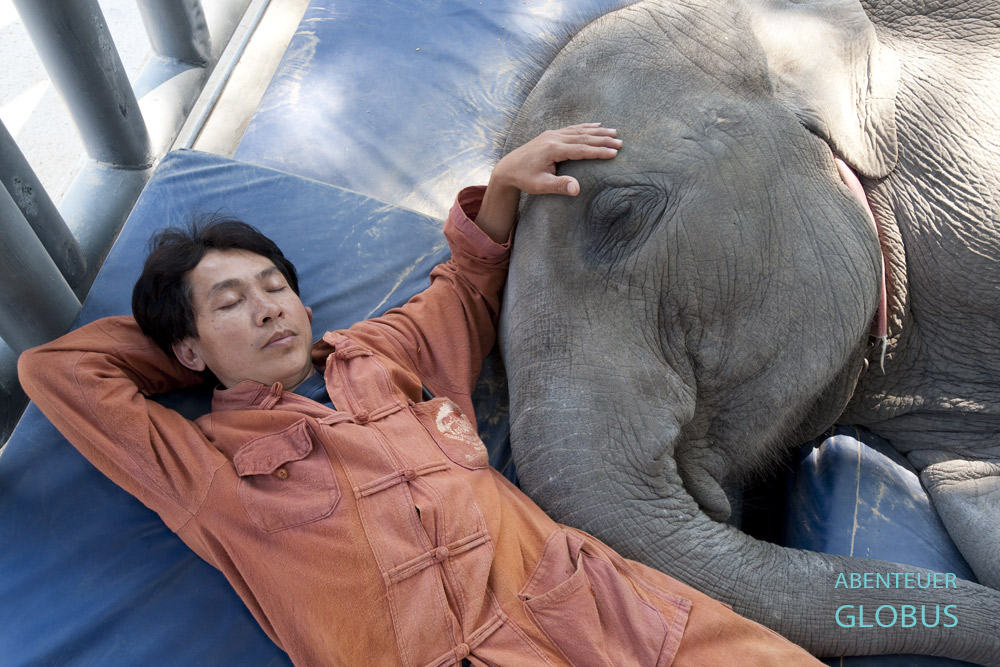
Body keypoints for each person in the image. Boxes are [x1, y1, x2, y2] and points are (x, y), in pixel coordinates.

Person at [19, 125, 822, 666]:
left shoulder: (382, 351)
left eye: (275, 287)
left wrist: (505, 183)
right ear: (189, 346)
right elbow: (57, 373)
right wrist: (177, 350)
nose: (268, 306)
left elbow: (468, 280)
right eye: (231, 302)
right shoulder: (198, 468)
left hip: (604, 608)